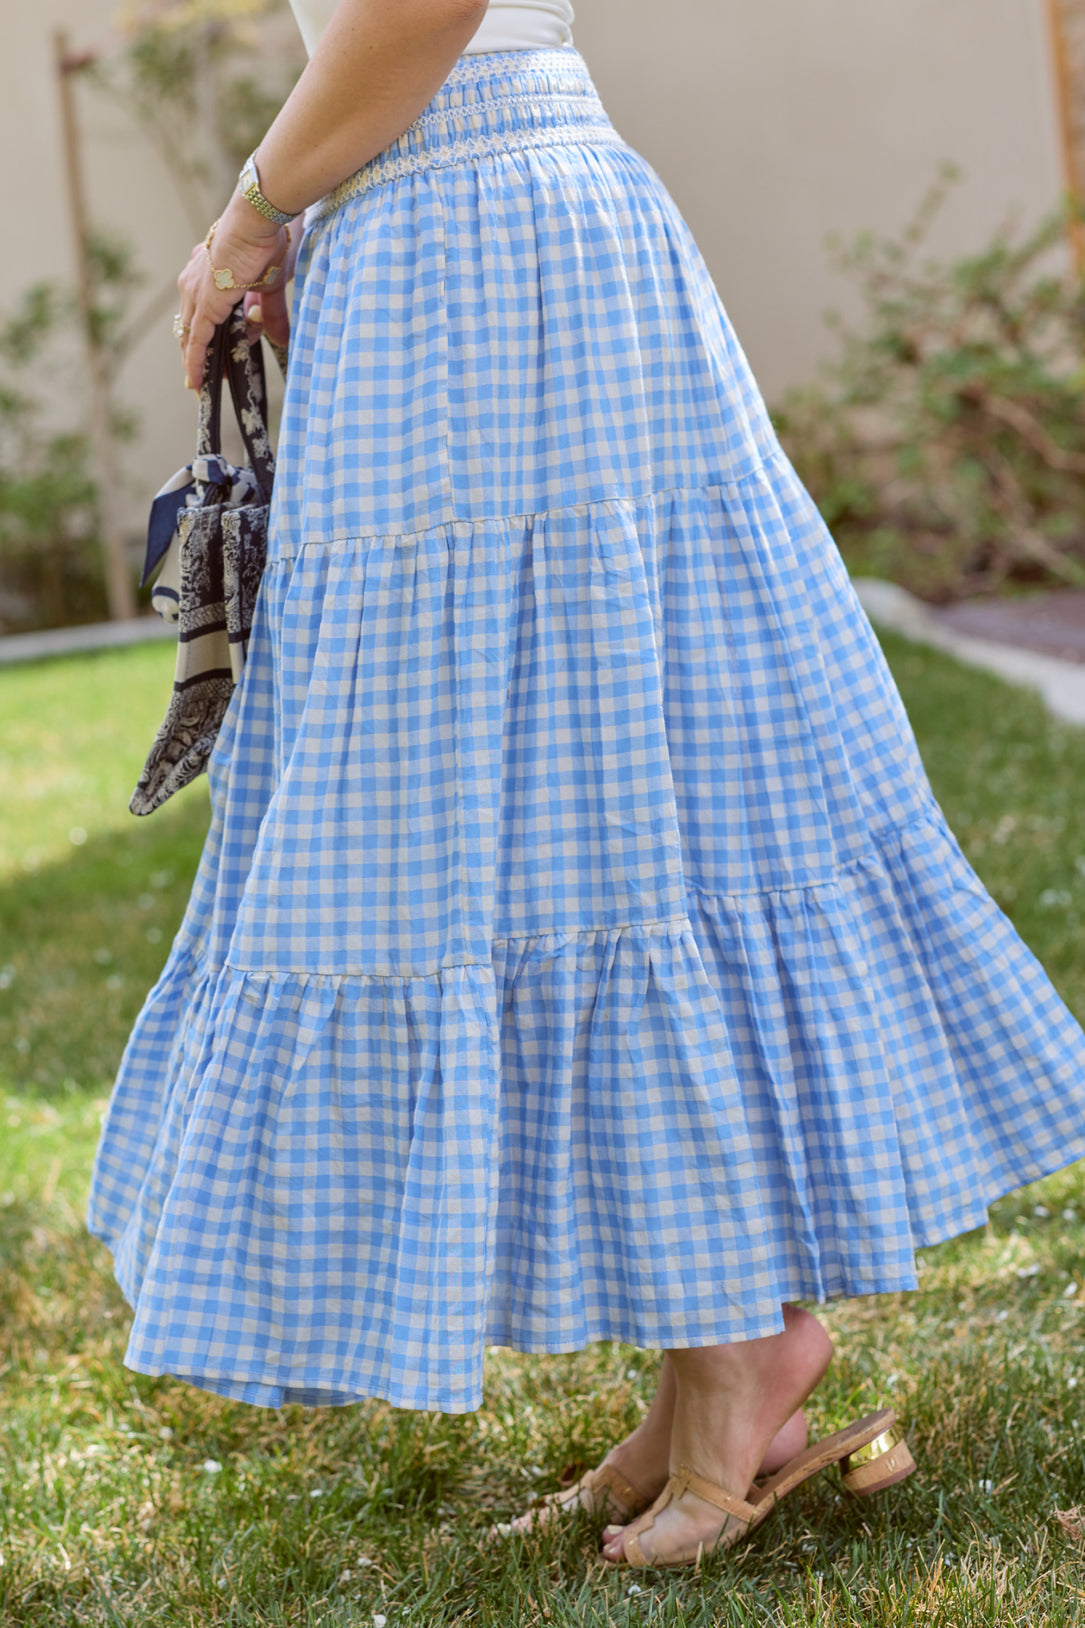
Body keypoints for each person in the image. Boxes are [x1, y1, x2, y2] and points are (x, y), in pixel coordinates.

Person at [87, 0, 1085, 1571]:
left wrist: (248, 216)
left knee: (615, 796)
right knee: (601, 787)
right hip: (451, 236)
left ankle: (735, 1352)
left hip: (492, 246)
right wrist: (315, 210)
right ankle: (717, 1352)